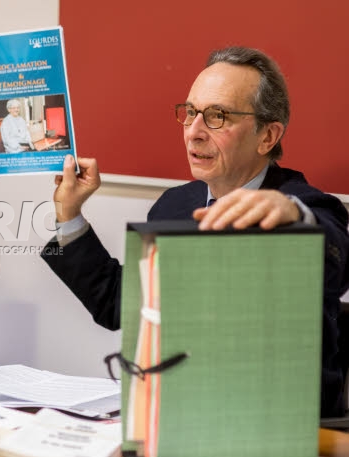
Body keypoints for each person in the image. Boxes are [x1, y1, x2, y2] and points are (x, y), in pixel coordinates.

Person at [41, 46, 349, 418]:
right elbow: (117, 306)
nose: (194, 133)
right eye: (190, 113)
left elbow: (336, 264)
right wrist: (70, 214)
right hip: (176, 411)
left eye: (217, 117)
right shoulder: (174, 205)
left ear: (267, 136)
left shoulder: (306, 206)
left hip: (278, 419)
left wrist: (295, 221)